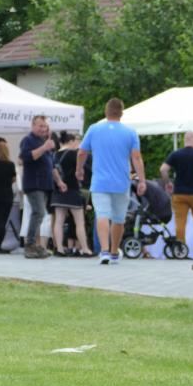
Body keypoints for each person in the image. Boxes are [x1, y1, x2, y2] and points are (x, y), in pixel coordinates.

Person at [77, 97, 146, 265]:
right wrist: (142, 180)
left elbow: (81, 152)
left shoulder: (94, 129)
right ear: (121, 113)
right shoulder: (130, 132)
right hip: (121, 182)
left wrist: (79, 169)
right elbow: (136, 158)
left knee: (102, 215)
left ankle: (104, 251)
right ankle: (115, 252)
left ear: (105, 111)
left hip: (100, 182)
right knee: (118, 219)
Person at [160, 131, 193, 260]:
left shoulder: (176, 154)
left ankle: (180, 247)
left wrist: (168, 183)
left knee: (180, 221)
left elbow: (163, 169)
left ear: (184, 140)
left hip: (179, 193)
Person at [20, 115, 62, 259]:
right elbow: (26, 157)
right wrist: (44, 148)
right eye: (40, 126)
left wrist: (59, 182)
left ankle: (35, 245)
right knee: (38, 212)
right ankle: (30, 244)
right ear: (33, 126)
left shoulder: (44, 142)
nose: (43, 129)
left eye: (45, 126)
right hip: (34, 183)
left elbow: (51, 165)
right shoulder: (28, 140)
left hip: (45, 184)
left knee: (39, 214)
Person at [52, 132, 93, 256]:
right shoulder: (73, 154)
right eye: (77, 141)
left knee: (59, 221)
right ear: (71, 141)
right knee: (79, 222)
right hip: (73, 190)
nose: (79, 144)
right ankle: (85, 249)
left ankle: (59, 248)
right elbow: (84, 170)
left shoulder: (55, 155)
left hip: (58, 190)